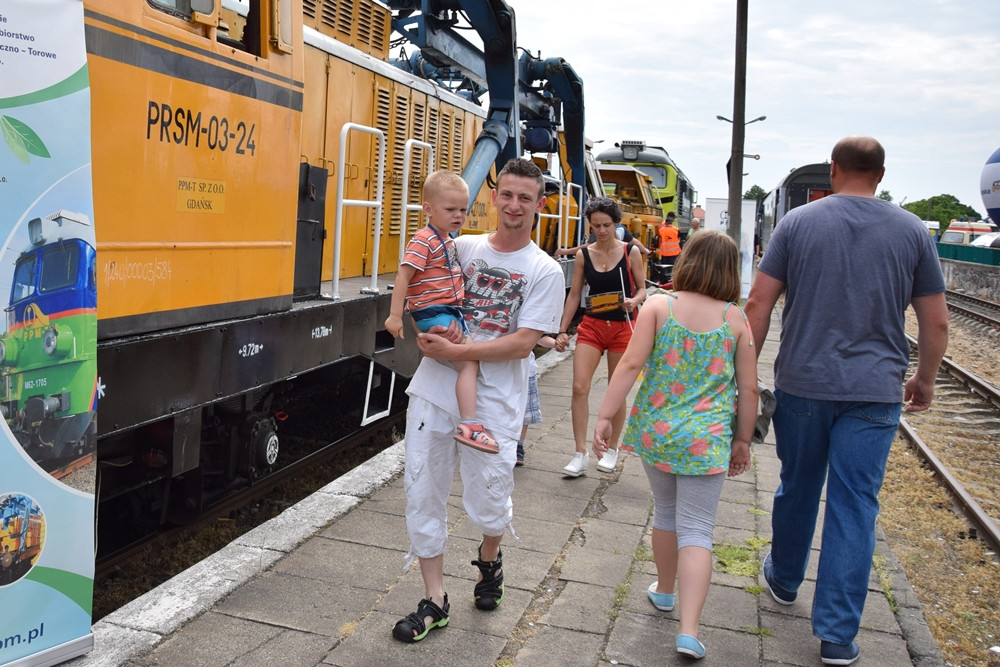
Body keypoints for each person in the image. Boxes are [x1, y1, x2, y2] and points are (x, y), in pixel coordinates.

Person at [744, 136, 949, 666]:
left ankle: (785, 580)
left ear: (833, 171)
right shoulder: (912, 232)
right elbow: (936, 321)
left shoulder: (797, 224)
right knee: (855, 506)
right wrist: (923, 379)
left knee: (798, 485)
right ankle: (837, 636)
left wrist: (742, 377)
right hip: (875, 392)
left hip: (804, 384)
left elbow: (759, 304)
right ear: (880, 175)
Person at [392, 158, 564, 643]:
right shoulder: (458, 246)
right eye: (506, 194)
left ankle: (490, 557)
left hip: (494, 403)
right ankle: (435, 598)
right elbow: (417, 291)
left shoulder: (544, 270)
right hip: (433, 391)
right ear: (493, 197)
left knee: (490, 499)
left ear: (538, 205)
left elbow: (522, 342)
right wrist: (416, 326)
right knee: (422, 489)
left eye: (524, 198)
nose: (513, 205)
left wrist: (459, 350)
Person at [593, 230, 756, 660]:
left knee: (665, 514)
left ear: (687, 262)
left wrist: (606, 415)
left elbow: (629, 364)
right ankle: (688, 630)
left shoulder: (658, 306)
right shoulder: (736, 320)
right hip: (707, 441)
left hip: (658, 433)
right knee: (698, 528)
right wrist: (743, 440)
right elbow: (751, 389)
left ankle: (664, 590)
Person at [385, 170, 499, 454]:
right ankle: (470, 424)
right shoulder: (424, 239)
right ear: (428, 209)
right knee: (469, 362)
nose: (458, 215)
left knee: (467, 359)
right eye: (450, 209)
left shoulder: (446, 240)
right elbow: (403, 275)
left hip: (445, 310)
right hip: (435, 311)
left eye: (463, 209)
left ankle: (466, 419)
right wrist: (395, 315)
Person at [555, 197, 646, 477]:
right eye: (596, 226)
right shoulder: (584, 254)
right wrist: (562, 329)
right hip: (593, 325)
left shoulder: (630, 252)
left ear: (617, 224)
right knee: (579, 387)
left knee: (614, 390)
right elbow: (574, 295)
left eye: (606, 225)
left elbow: (643, 290)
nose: (602, 231)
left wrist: (634, 301)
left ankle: (611, 448)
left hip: (622, 327)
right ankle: (579, 452)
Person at [516, 335, 557, 467]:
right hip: (499, 369)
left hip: (526, 369)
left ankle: (518, 445)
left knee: (525, 412)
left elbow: (540, 336)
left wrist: (556, 343)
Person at [656, 211, 681, 283]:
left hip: (664, 252)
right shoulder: (674, 229)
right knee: (671, 268)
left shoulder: (662, 228)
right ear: (670, 218)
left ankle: (664, 281)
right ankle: (669, 281)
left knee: (664, 268)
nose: (674, 219)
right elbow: (678, 239)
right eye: (673, 218)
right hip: (673, 252)